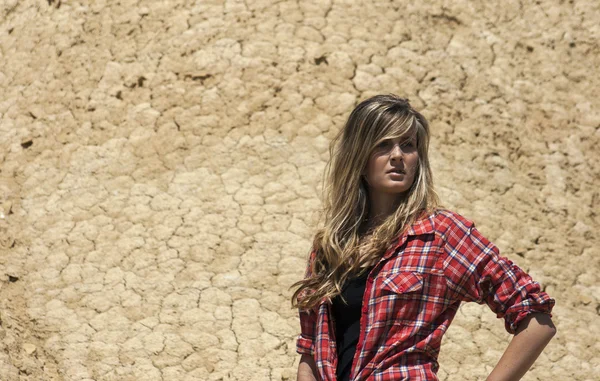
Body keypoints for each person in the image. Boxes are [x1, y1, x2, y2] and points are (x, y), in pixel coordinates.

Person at [291, 94, 556, 381]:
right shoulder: (330, 246)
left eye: (408, 145)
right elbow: (311, 352)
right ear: (359, 155)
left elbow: (536, 318)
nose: (397, 155)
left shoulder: (441, 235)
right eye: (383, 144)